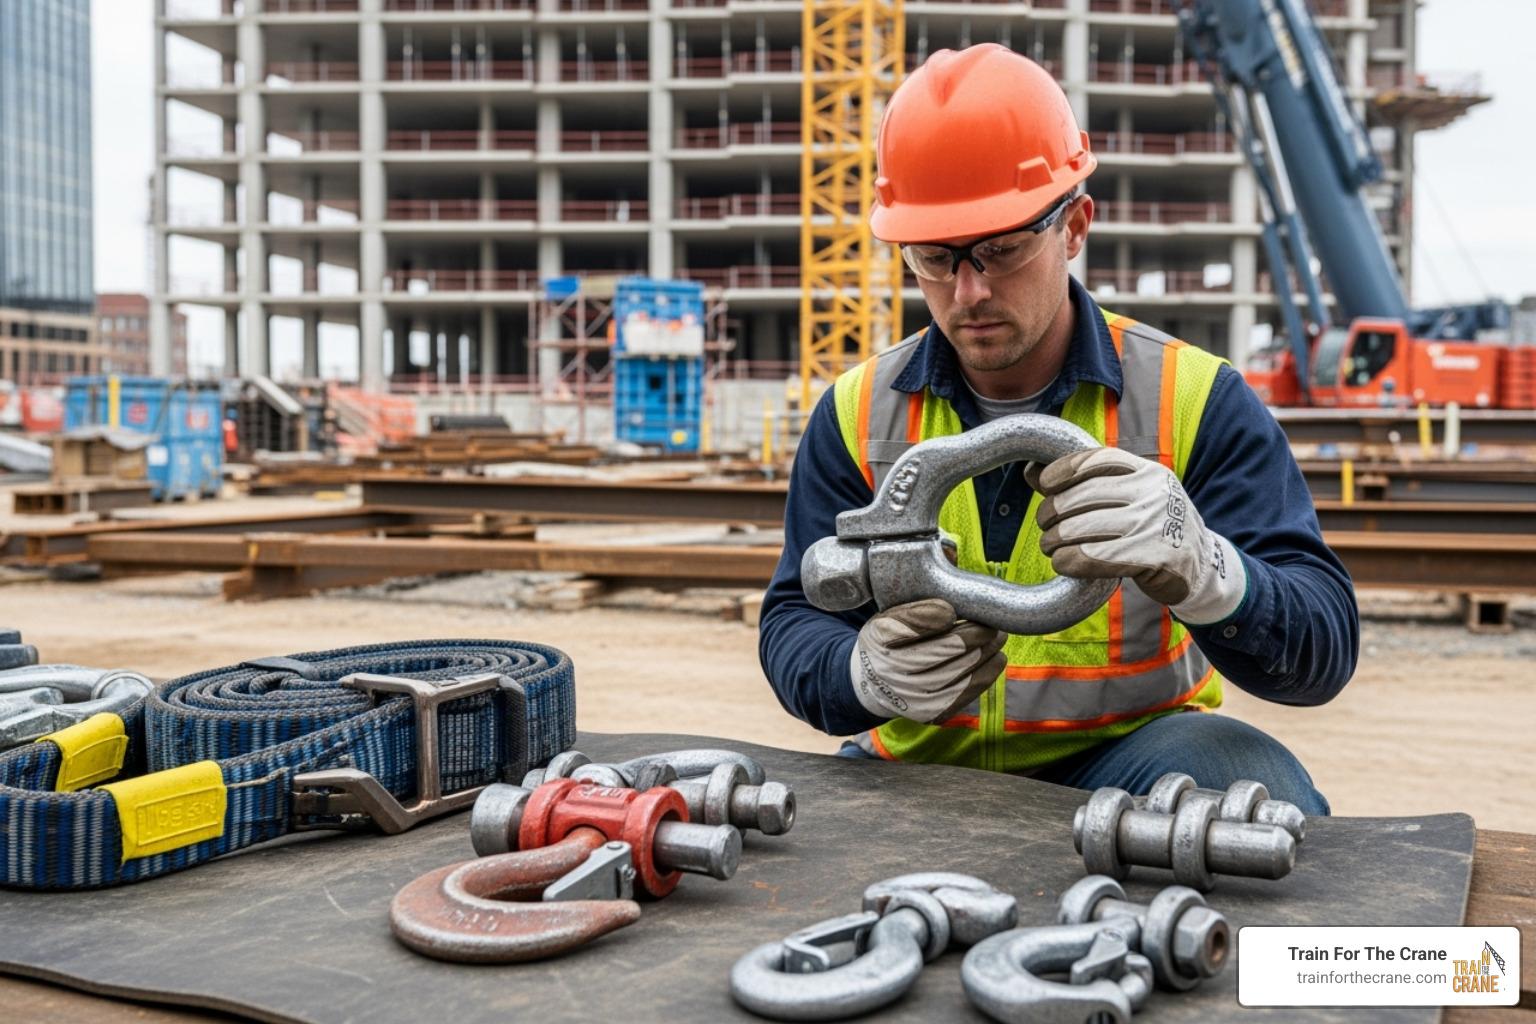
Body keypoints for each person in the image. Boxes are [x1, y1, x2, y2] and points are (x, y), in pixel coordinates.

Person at [757, 44, 1357, 815]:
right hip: (918, 768)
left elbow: (1322, 649)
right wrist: (858, 677)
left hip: (1133, 765)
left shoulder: (1190, 397)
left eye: (1001, 250)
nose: (967, 292)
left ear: (1073, 226)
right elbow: (793, 619)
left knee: (1256, 790)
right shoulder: (857, 409)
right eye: (934, 259)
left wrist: (1208, 567)